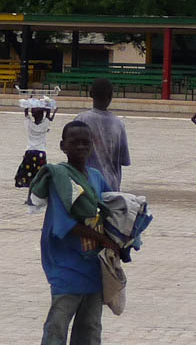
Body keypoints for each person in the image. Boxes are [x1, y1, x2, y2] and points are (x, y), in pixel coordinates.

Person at [30, 120, 120, 345]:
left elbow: (111, 208)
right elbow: (66, 224)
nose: (81, 147)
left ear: (92, 145)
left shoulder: (96, 177)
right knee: (57, 326)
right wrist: (105, 240)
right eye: (74, 142)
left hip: (92, 267)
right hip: (66, 267)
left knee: (90, 328)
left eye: (85, 142)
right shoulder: (60, 178)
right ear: (63, 146)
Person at [79, 78, 131, 191]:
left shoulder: (81, 119)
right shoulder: (118, 124)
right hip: (112, 186)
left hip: (87, 187)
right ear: (111, 96)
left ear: (91, 94)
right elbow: (124, 159)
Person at [15, 97, 57, 194]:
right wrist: (47, 106)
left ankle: (30, 194)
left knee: (29, 175)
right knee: (40, 175)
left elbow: (26, 113)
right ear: (42, 115)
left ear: (33, 115)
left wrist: (29, 103)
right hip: (40, 153)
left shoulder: (29, 124)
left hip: (30, 152)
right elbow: (48, 115)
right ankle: (37, 194)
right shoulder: (45, 124)